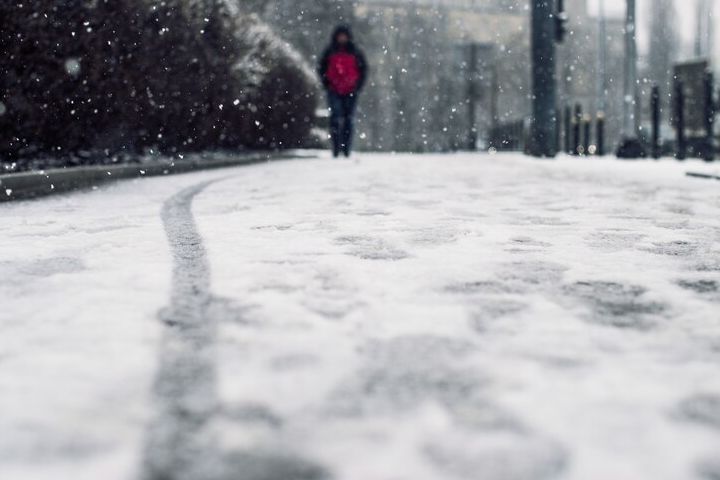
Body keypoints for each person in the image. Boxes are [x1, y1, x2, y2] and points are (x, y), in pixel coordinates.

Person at [318, 25, 367, 158]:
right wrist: (327, 83)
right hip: (334, 90)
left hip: (350, 90)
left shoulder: (355, 52)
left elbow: (363, 70)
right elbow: (321, 68)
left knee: (348, 120)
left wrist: (357, 85)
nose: (342, 38)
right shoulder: (330, 51)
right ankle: (335, 148)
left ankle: (346, 149)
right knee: (335, 118)